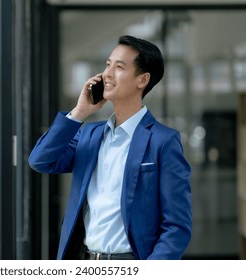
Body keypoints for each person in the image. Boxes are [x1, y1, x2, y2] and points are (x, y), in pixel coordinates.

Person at [28, 35, 192, 260]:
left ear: (142, 80)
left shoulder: (163, 141)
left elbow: (177, 226)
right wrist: (79, 113)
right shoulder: (89, 134)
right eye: (107, 65)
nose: (107, 74)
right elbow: (40, 160)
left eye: (119, 67)